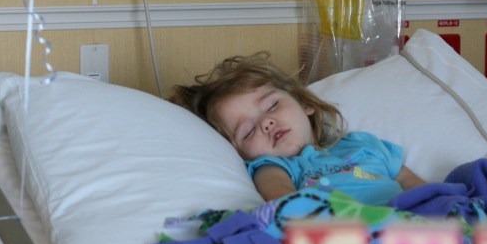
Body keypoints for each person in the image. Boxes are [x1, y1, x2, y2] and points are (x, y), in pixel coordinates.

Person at [170, 52, 426, 203]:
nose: (266, 123)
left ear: (305, 103)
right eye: (248, 131)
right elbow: (286, 204)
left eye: (271, 106)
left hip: (410, 222)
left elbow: (417, 185)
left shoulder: (364, 144)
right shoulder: (274, 167)